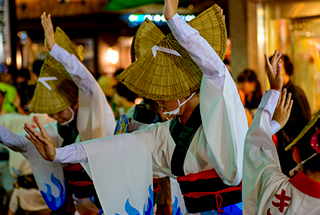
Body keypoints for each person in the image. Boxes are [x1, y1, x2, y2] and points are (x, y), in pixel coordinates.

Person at [25, 1, 247, 214]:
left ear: (184, 90)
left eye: (164, 94)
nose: (157, 99)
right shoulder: (165, 133)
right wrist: (58, 154)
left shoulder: (218, 121)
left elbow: (216, 72)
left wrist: (175, 20)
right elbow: (112, 146)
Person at [0, 13, 115, 215]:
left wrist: (55, 50)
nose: (56, 117)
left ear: (76, 101)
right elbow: (20, 143)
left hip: (108, 204)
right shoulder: (54, 130)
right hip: (75, 206)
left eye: (59, 111)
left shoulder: (96, 122)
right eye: (51, 114)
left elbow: (88, 84)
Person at [242, 50, 320, 215]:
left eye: (280, 66)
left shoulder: (296, 93)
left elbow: (254, 147)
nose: (276, 68)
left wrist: (274, 93)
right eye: (273, 65)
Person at [273, 54, 311, 176]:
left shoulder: (296, 93)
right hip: (281, 154)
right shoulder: (276, 94)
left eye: (278, 67)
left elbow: (305, 127)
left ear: (287, 69)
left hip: (292, 156)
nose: (274, 71)